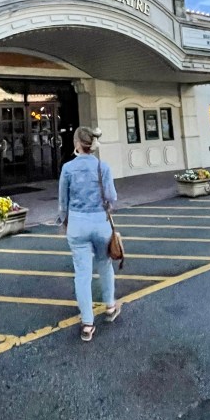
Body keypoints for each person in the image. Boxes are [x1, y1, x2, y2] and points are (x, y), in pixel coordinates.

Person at [58, 125, 120, 341]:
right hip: (100, 223)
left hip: (77, 224)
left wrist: (64, 222)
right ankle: (110, 307)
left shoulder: (67, 169)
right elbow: (111, 197)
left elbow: (63, 203)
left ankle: (87, 324)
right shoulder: (104, 167)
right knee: (105, 265)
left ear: (77, 144)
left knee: (82, 274)